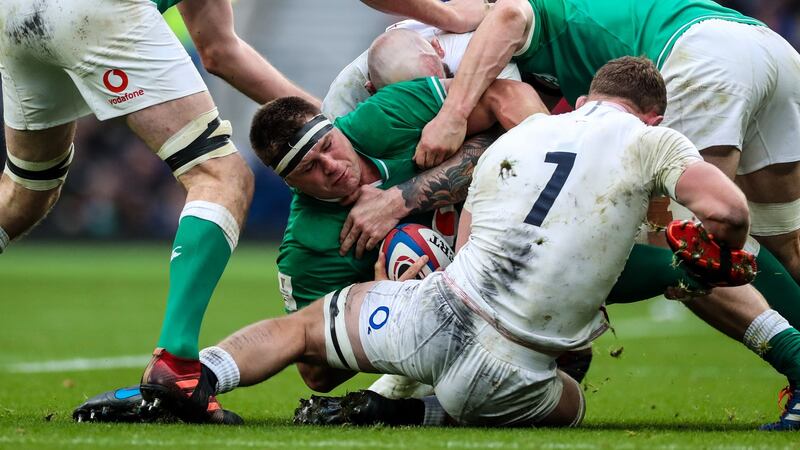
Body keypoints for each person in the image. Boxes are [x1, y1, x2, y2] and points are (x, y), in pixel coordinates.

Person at [146, 56, 766, 428]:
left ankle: (196, 375)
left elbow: (491, 121)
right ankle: (416, 402)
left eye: (327, 146)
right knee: (571, 400)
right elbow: (315, 376)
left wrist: (407, 200)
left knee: (311, 321)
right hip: (504, 340)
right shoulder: (307, 243)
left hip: (438, 310)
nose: (329, 167)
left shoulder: (399, 116)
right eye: (307, 170)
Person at [0, 0, 329, 425]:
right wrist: (333, 122)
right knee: (220, 173)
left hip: (12, 14)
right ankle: (177, 366)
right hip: (95, 12)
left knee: (26, 188)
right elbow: (219, 51)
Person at [413, 0, 800, 292]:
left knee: (685, 248)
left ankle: (793, 359)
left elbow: (506, 15)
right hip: (768, 46)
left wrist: (452, 114)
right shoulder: (574, 38)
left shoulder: (532, 11)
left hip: (702, 56)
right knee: (787, 243)